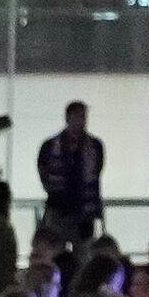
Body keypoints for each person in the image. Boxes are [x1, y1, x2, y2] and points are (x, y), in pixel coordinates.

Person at [39, 100, 108, 252]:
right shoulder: (50, 146)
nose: (83, 121)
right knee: (57, 253)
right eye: (79, 116)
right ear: (68, 117)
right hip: (59, 208)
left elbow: (97, 172)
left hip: (84, 211)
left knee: (83, 255)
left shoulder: (95, 146)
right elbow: (44, 175)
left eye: (84, 117)